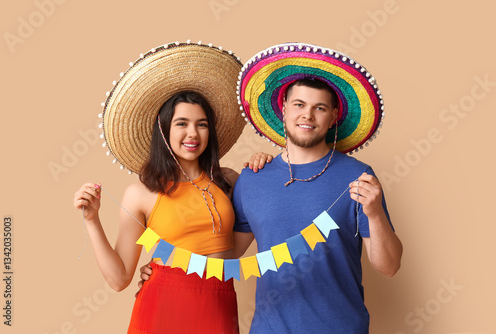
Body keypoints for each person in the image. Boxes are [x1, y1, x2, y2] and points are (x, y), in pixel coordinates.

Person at [140, 42, 403, 333]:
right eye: (299, 105)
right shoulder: (253, 178)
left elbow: (388, 267)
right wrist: (164, 273)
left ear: (334, 117)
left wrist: (376, 214)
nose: (308, 115)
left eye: (320, 108)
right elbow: (227, 255)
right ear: (284, 109)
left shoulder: (358, 177)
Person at [73, 42, 271, 334]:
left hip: (219, 308)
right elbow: (119, 280)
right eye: (182, 123)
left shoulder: (229, 180)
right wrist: (91, 220)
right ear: (164, 131)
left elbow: (233, 251)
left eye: (201, 124)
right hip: (161, 309)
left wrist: (262, 169)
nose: (192, 133)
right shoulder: (141, 192)